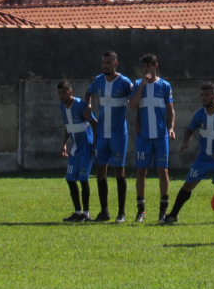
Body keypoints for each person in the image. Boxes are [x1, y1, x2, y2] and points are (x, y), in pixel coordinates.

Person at [163, 82, 214, 224]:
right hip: (204, 158)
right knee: (187, 186)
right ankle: (173, 215)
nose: (203, 98)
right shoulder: (199, 114)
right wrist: (185, 142)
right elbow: (189, 131)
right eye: (202, 95)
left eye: (206, 95)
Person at [84, 51, 134, 223]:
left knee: (119, 170)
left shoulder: (125, 82)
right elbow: (88, 92)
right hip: (102, 134)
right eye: (103, 62)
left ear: (115, 64)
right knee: (100, 169)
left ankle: (121, 213)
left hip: (118, 134)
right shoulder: (98, 80)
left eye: (108, 62)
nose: (105, 65)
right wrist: (88, 107)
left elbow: (135, 101)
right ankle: (104, 212)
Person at [128, 54, 174, 223]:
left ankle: (163, 209)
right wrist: (142, 85)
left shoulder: (165, 85)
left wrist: (171, 129)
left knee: (163, 170)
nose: (146, 69)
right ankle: (141, 210)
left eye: (149, 66)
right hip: (144, 136)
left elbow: (171, 110)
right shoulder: (138, 85)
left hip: (161, 136)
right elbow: (133, 106)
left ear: (156, 66)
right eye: (144, 67)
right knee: (141, 171)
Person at [58, 81, 96, 222]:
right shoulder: (62, 107)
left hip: (86, 147)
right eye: (59, 92)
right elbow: (68, 127)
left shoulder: (80, 105)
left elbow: (94, 123)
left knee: (83, 179)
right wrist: (64, 145)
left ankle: (86, 214)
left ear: (70, 92)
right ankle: (78, 211)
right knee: (70, 179)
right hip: (75, 149)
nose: (61, 95)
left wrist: (95, 145)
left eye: (64, 92)